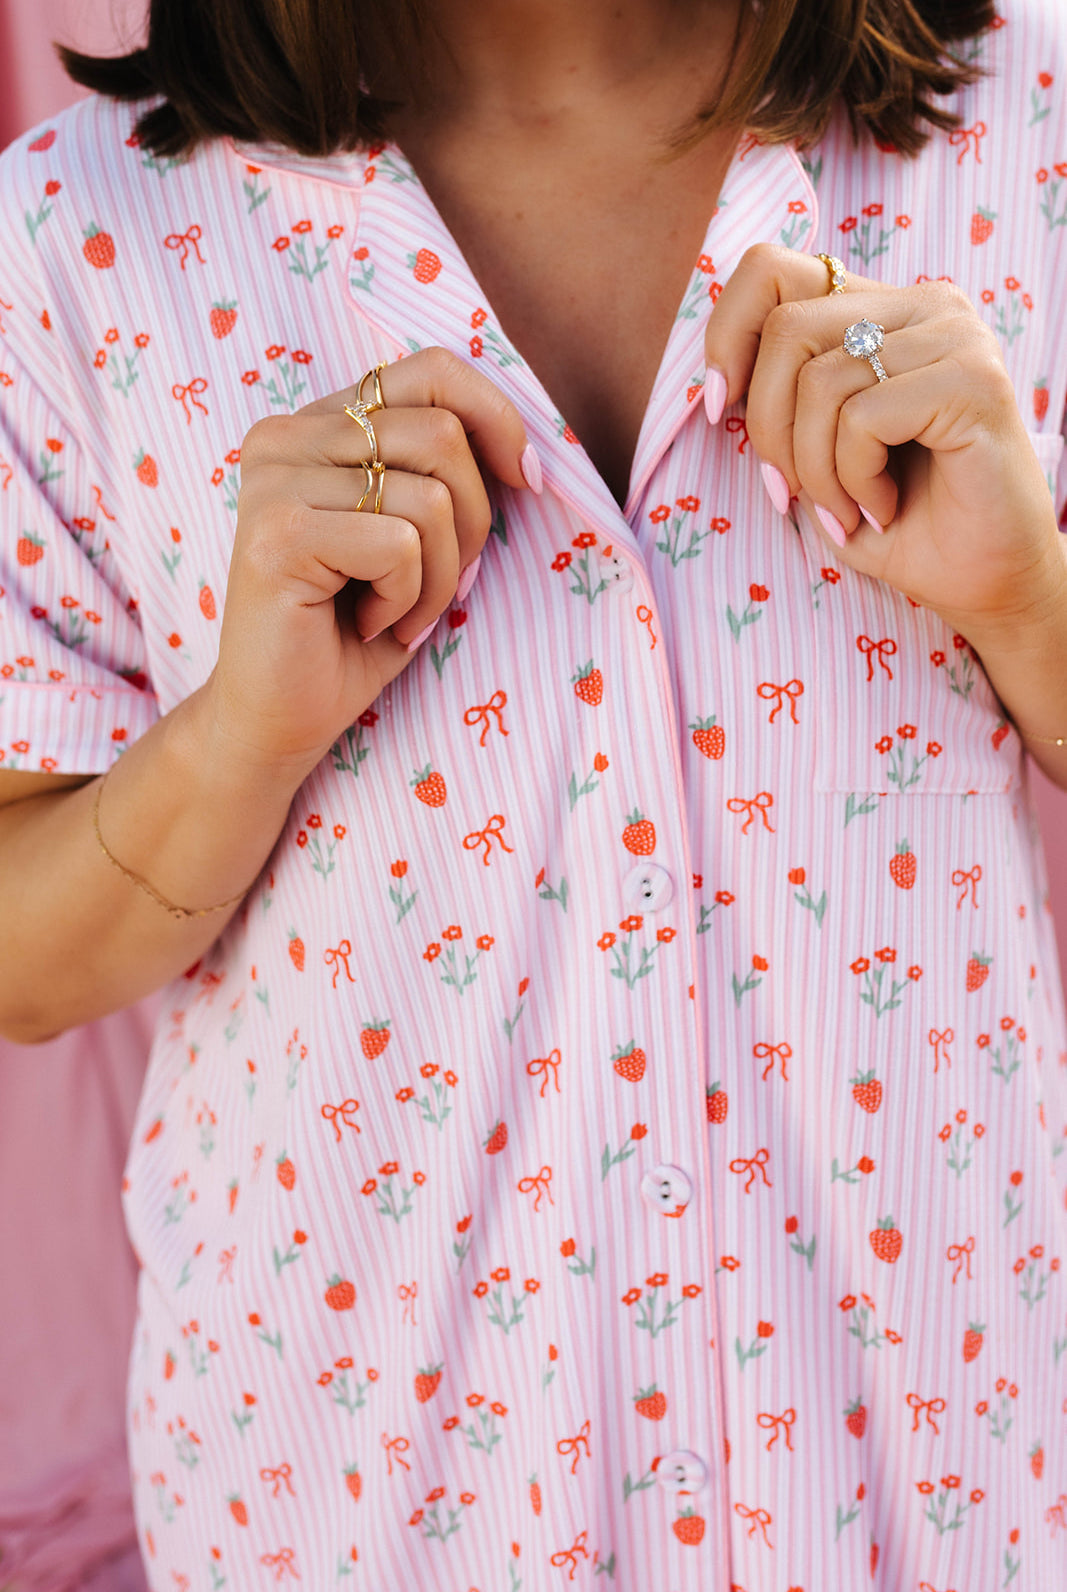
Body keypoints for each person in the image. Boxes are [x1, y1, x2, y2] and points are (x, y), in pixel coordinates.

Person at [1, 0, 1065, 1584]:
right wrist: (234, 743)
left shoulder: (1034, 128)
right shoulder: (69, 250)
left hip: (952, 1497)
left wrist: (1030, 602)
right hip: (359, 1524)